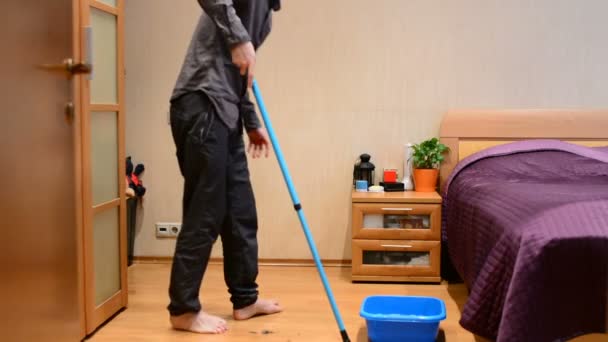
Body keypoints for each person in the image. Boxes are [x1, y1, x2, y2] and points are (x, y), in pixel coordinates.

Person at [167, 0, 282, 334]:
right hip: (202, 103)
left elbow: (238, 73)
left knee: (240, 210)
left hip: (226, 111)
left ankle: (245, 299)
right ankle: (183, 309)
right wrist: (238, 39)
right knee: (206, 210)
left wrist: (251, 122)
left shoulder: (266, 15)